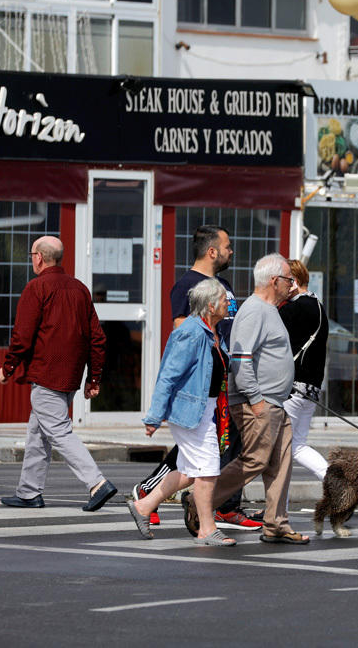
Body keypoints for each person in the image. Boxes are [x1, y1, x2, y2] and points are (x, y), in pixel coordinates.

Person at [127, 225, 262, 532]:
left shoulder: (223, 284)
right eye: (227, 246)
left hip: (223, 380)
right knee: (204, 456)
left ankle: (213, 507)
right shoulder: (187, 285)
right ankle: (201, 518)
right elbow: (184, 340)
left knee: (217, 448)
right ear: (212, 251)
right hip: (200, 389)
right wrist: (156, 414)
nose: (231, 251)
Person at [182, 254, 309, 544]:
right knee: (255, 459)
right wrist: (255, 398)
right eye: (288, 280)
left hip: (275, 400)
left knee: (280, 463)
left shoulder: (270, 310)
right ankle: (198, 501)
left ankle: (276, 524)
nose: (291, 285)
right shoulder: (254, 310)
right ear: (274, 281)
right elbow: (241, 359)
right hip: (259, 401)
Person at [0, 236, 117, 511]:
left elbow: (22, 336)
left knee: (59, 432)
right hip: (70, 376)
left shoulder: (36, 287)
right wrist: (93, 377)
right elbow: (97, 338)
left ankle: (97, 483)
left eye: (31, 255)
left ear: (39, 258)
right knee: (38, 433)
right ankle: (29, 492)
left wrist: (8, 368)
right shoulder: (80, 289)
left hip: (46, 374)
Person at [126, 279, 236, 546]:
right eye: (224, 299)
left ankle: (143, 506)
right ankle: (206, 529)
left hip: (206, 409)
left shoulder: (213, 330)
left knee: (189, 472)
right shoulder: (191, 332)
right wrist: (154, 417)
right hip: (191, 412)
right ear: (211, 306)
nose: (229, 303)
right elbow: (168, 375)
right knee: (208, 469)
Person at [279, 259, 329, 481]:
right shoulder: (318, 307)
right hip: (312, 388)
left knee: (281, 448)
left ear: (293, 281)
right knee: (297, 445)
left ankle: (281, 501)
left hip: (292, 388)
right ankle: (333, 481)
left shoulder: (292, 309)